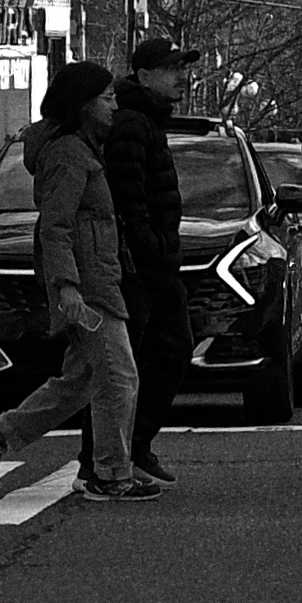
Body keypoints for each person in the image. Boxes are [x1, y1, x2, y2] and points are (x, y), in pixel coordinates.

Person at [0, 62, 152, 501]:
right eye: (106, 97)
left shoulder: (81, 149)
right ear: (83, 104)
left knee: (83, 381)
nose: (114, 104)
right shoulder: (68, 152)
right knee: (119, 378)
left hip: (97, 281)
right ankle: (109, 475)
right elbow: (55, 227)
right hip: (87, 289)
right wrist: (68, 288)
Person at [103, 36, 198, 484]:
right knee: (123, 366)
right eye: (171, 68)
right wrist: (149, 249)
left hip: (157, 265)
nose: (181, 76)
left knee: (162, 354)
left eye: (183, 67)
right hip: (140, 268)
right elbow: (128, 197)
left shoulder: (147, 121)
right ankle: (112, 455)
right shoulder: (130, 124)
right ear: (144, 75)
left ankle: (128, 448)